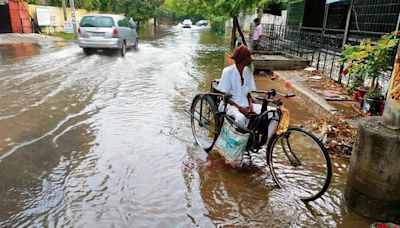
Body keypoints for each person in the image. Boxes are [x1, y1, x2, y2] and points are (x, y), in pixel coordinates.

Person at [217, 45, 261, 129]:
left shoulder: (248, 72)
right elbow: (224, 97)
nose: (250, 59)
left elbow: (248, 94)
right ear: (242, 59)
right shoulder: (227, 72)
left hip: (245, 104)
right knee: (240, 118)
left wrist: (251, 106)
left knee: (271, 113)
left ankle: (266, 139)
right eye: (248, 57)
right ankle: (240, 139)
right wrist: (240, 108)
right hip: (230, 105)